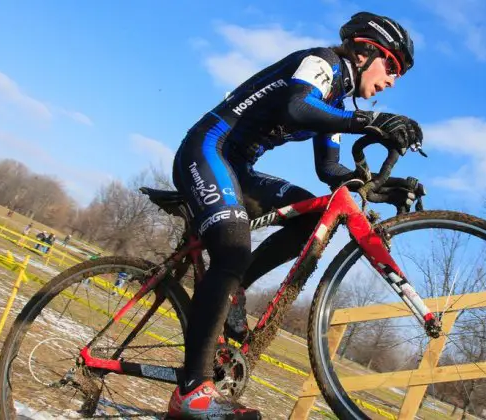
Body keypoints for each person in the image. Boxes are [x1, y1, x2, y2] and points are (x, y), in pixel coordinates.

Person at [168, 11, 425, 419]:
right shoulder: (321, 63)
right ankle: (191, 394)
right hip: (207, 150)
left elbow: (331, 172)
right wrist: (371, 122)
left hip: (239, 170)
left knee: (309, 214)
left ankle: (234, 290)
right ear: (364, 52)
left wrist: (377, 186)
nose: (392, 80)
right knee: (233, 250)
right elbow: (296, 106)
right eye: (391, 66)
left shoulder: (338, 101)